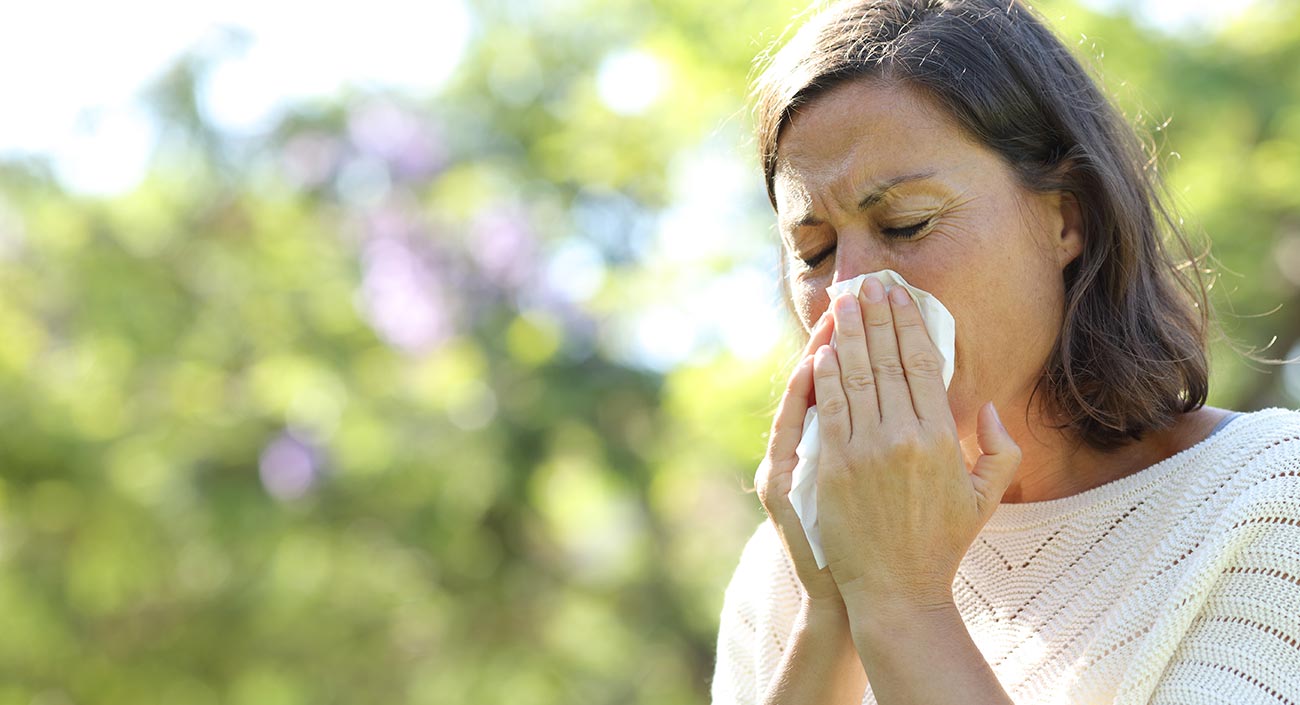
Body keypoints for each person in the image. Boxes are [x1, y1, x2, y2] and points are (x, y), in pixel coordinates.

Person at [710, 1, 1300, 703]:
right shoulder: (786, 572)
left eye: (906, 223)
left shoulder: (1267, 501)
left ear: (1066, 217)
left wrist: (902, 601)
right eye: (815, 251)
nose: (849, 293)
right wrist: (838, 603)